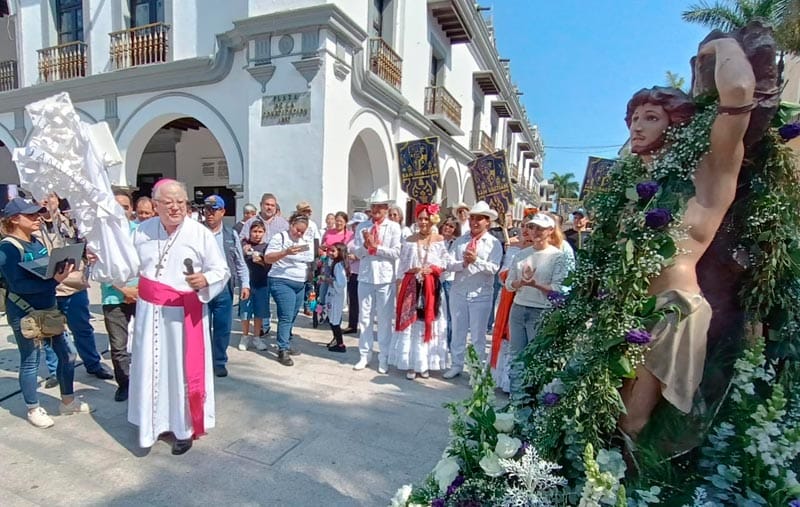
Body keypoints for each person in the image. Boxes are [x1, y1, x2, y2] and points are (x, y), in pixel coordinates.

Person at [617, 38, 756, 439]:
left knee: (632, 421)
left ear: (675, 123)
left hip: (670, 313)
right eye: (633, 119)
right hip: (624, 310)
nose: (636, 127)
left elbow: (739, 94)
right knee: (607, 419)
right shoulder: (636, 184)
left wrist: (724, 43)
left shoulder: (709, 174)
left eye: (649, 118)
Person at [129, 180, 230, 455]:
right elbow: (128, 265)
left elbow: (221, 270)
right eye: (168, 202)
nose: (175, 207)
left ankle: (183, 427)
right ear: (156, 205)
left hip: (183, 316)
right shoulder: (141, 231)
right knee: (150, 367)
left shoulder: (200, 234)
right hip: (149, 313)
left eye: (180, 202)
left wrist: (205, 279)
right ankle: (151, 421)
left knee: (179, 371)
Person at [0, 197, 91, 428]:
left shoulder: (36, 242)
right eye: (30, 216)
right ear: (14, 219)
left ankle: (67, 401)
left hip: (48, 308)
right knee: (30, 360)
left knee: (67, 353)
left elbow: (44, 270)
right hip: (24, 311)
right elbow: (18, 284)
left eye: (37, 214)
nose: (37, 218)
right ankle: (32, 407)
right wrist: (55, 281)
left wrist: (61, 267)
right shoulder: (8, 248)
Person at [36, 192, 114, 381]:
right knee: (50, 331)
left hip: (73, 285)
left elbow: (87, 246)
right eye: (41, 197)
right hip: (48, 287)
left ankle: (93, 364)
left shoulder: (71, 223)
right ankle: (56, 371)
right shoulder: (32, 226)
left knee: (82, 328)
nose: (46, 201)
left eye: (51, 197)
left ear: (58, 200)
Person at [504, 213, 570, 395]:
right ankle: (516, 399)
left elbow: (559, 288)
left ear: (550, 231)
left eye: (540, 228)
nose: (536, 232)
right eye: (533, 227)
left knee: (536, 358)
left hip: (540, 312)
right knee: (517, 355)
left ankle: (533, 400)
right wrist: (520, 283)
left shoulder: (558, 256)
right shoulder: (521, 255)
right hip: (518, 309)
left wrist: (536, 284)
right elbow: (509, 284)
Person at [443, 201, 502, 379]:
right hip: (459, 291)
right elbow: (448, 263)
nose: (474, 222)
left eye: (479, 219)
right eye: (472, 218)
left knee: (478, 335)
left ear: (487, 222)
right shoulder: (461, 241)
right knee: (458, 331)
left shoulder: (493, 243)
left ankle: (475, 369)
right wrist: (463, 264)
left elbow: (494, 268)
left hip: (481, 294)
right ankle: (456, 364)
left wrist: (476, 261)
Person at [390, 204, 449, 380]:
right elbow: (401, 268)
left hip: (430, 289)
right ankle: (410, 364)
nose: (423, 222)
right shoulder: (409, 240)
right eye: (420, 218)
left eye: (426, 218)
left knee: (427, 324)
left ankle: (424, 364)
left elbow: (446, 263)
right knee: (412, 326)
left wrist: (433, 269)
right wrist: (407, 278)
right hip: (411, 288)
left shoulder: (439, 240)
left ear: (432, 220)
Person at [352, 188, 402, 373]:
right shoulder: (362, 226)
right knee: (364, 318)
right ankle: (364, 355)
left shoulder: (394, 227)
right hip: (365, 276)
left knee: (384, 318)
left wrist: (376, 247)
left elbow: (397, 252)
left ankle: (384, 357)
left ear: (386, 208)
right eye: (374, 206)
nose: (376, 210)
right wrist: (366, 247)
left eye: (380, 207)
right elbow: (356, 251)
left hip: (385, 278)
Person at [202, 194, 250, 378]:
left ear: (222, 212)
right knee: (202, 327)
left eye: (214, 210)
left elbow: (239, 262)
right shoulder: (196, 232)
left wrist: (245, 283)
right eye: (207, 210)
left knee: (222, 327)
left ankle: (219, 361)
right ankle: (204, 360)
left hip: (224, 288)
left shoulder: (231, 234)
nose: (209, 214)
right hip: (203, 287)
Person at [100, 189, 139, 402]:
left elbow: (149, 264)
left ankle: (144, 381)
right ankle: (124, 383)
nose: (121, 211)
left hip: (142, 296)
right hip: (113, 297)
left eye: (125, 207)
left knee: (145, 342)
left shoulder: (140, 233)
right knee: (118, 346)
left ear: (131, 209)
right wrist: (124, 291)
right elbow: (100, 268)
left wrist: (138, 291)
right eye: (116, 206)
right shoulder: (100, 235)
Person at [264, 212, 314, 366]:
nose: (299, 233)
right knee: (285, 315)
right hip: (282, 280)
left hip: (300, 282)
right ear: (291, 225)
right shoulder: (280, 238)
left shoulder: (306, 240)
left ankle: (286, 340)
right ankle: (282, 349)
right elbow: (267, 258)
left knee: (292, 315)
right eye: (297, 230)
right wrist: (285, 252)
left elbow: (309, 260)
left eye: (302, 231)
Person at [238, 193, 289, 335]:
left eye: (272, 205)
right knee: (260, 298)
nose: (269, 207)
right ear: (261, 205)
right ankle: (261, 329)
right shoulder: (251, 221)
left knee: (277, 301)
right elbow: (241, 238)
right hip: (256, 267)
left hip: (278, 267)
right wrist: (245, 246)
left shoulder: (282, 223)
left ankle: (283, 330)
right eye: (267, 204)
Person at [487, 212, 521, 333]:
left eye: (507, 216)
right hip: (497, 267)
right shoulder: (493, 232)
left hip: (511, 269)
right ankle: (489, 324)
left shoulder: (518, 231)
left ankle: (506, 326)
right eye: (502, 216)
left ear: (511, 217)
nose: (504, 218)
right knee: (493, 296)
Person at [239, 220, 269, 352]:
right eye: (255, 231)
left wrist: (261, 261)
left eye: (260, 231)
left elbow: (270, 266)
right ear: (250, 232)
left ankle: (256, 337)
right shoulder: (244, 246)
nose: (257, 234)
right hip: (247, 284)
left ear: (264, 233)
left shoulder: (266, 247)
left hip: (262, 283)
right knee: (245, 311)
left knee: (259, 312)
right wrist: (244, 249)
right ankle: (244, 336)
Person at [343, 212, 368, 334]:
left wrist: (356, 257)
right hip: (351, 271)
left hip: (361, 271)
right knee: (352, 299)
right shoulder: (352, 237)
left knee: (361, 300)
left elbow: (367, 252)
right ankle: (352, 324)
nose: (354, 227)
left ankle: (363, 325)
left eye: (356, 224)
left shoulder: (365, 237)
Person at [439, 215, 461, 347]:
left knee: (450, 312)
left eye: (451, 226)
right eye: (446, 224)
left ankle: (450, 341)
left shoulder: (455, 243)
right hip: (436, 278)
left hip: (449, 279)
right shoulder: (436, 240)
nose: (447, 228)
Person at [325, 242, 348, 352]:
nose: (330, 253)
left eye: (333, 251)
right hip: (333, 295)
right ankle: (335, 340)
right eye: (330, 250)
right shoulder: (335, 263)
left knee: (334, 321)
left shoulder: (339, 266)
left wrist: (330, 280)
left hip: (336, 296)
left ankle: (340, 344)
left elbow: (341, 283)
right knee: (332, 319)